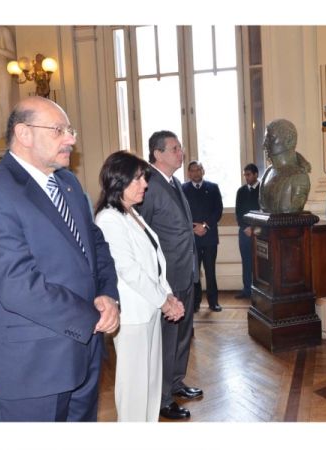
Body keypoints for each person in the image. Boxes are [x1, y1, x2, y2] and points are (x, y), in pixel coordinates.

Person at [0, 96, 120, 421]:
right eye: (59, 130)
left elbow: (96, 245)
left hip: (85, 353)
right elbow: (18, 286)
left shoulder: (69, 183)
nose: (72, 139)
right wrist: (91, 316)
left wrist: (107, 294)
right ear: (24, 134)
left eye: (70, 129)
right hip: (33, 367)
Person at [94, 151, 184, 422]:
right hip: (133, 315)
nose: (145, 184)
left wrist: (168, 294)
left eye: (144, 178)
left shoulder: (132, 213)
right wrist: (163, 300)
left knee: (151, 385)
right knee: (134, 389)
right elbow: (130, 270)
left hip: (149, 310)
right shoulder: (109, 218)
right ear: (119, 181)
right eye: (138, 179)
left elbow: (155, 260)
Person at [138, 130, 203, 420]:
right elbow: (143, 234)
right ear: (158, 154)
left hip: (185, 271)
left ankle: (176, 382)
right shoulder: (148, 185)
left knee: (183, 333)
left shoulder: (174, 181)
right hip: (166, 279)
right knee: (167, 338)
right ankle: (163, 399)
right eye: (175, 148)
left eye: (181, 147)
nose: (182, 152)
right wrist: (156, 280)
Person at [182, 160, 224, 312]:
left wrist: (205, 225)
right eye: (192, 170)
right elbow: (181, 212)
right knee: (194, 273)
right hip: (192, 237)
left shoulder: (213, 188)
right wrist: (193, 227)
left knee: (210, 271)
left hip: (209, 237)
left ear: (203, 171)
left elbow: (218, 211)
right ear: (188, 173)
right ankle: (195, 303)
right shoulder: (182, 189)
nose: (195, 172)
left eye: (198, 169)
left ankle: (214, 302)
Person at [259, 118, 311, 213]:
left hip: (286, 227)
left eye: (270, 138)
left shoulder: (299, 178)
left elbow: (290, 210)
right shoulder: (267, 173)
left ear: (289, 140)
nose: (264, 144)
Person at [234, 163, 260, 299]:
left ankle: (259, 290)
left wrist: (254, 228)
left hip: (259, 232)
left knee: (260, 261)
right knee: (246, 261)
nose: (246, 177)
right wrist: (245, 227)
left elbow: (265, 211)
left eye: (249, 175)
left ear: (256, 174)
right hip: (244, 232)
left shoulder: (263, 190)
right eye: (245, 175)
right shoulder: (241, 191)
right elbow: (238, 212)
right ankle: (247, 290)